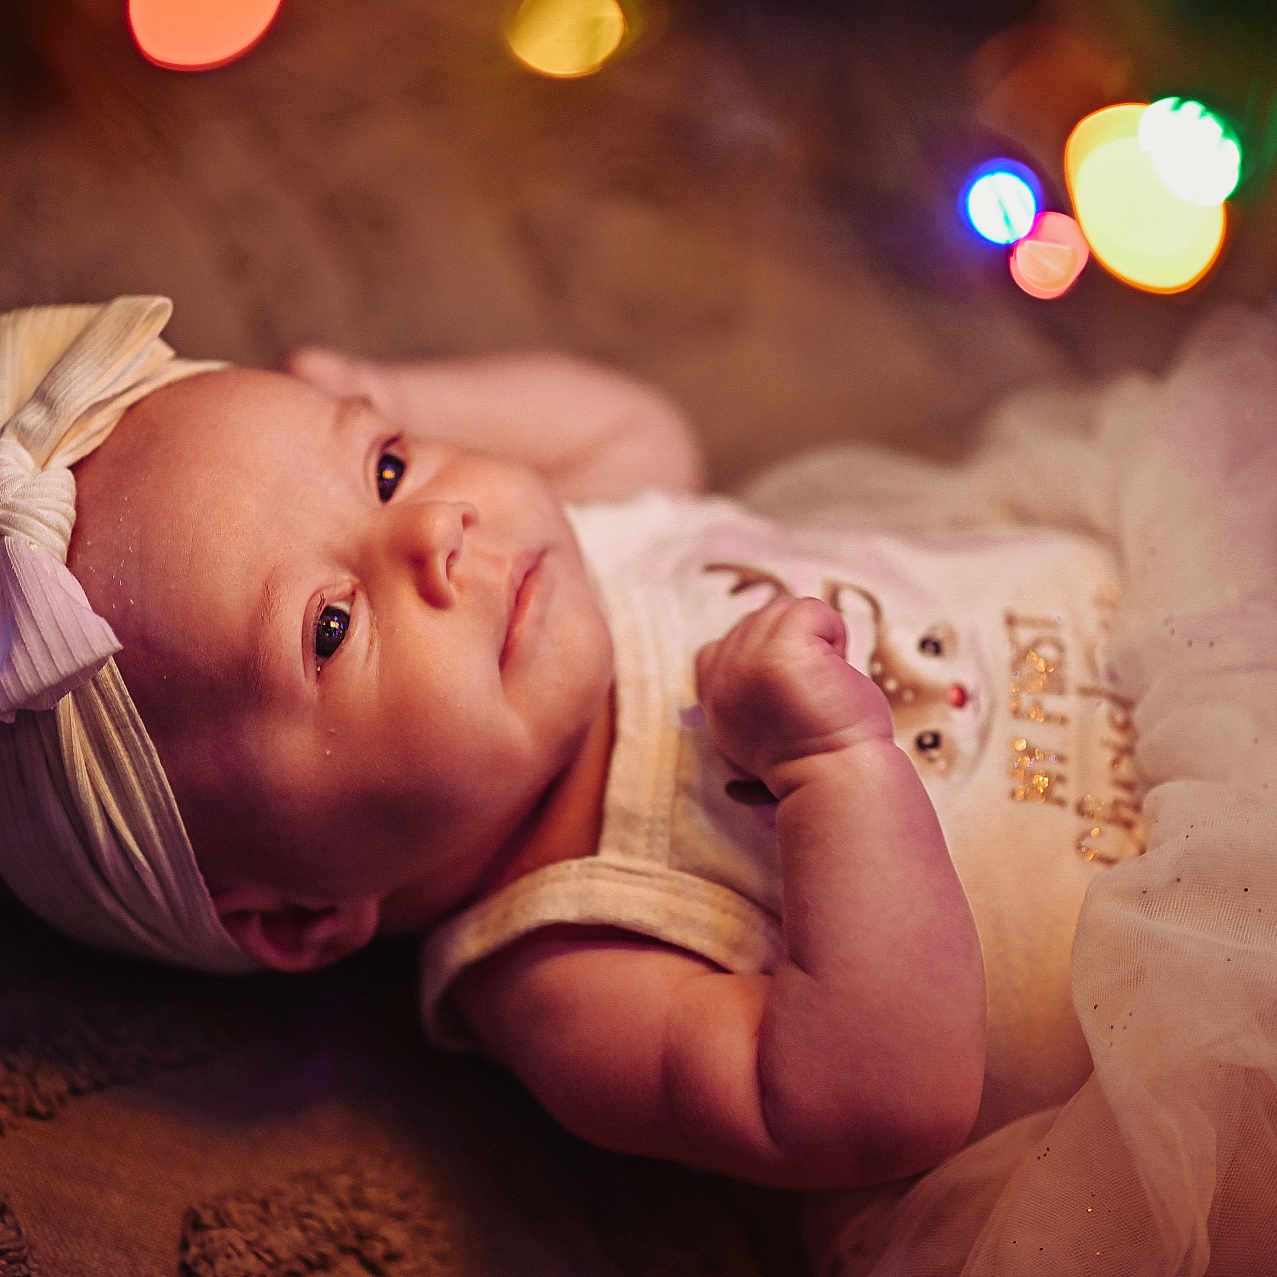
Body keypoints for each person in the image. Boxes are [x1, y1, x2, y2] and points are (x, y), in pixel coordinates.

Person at [2, 296, 1274, 1274]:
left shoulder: (568, 548)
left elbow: (637, 430)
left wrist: (390, 391)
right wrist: (834, 769)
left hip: (1197, 623)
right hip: (1208, 1008)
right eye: (329, 628)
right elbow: (875, 1101)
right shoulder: (563, 962)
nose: (432, 530)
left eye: (385, 467)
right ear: (291, 911)